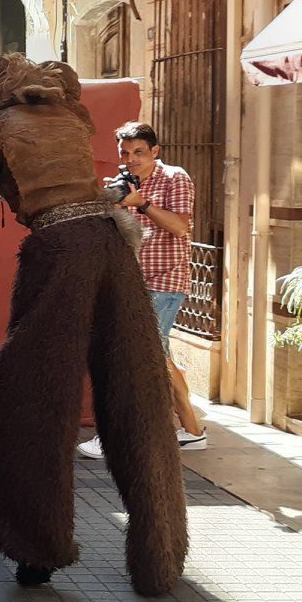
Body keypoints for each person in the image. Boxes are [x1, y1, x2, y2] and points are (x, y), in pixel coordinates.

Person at [0, 52, 187, 596]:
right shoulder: (71, 116)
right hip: (110, 243)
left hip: (57, 249)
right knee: (138, 391)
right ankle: (161, 555)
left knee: (35, 395)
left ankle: (37, 549)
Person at [79, 123, 207, 456]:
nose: (131, 159)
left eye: (138, 152)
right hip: (132, 279)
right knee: (158, 357)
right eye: (125, 152)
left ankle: (119, 436)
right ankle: (192, 430)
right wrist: (113, 203)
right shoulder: (125, 181)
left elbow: (180, 226)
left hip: (164, 281)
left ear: (155, 151)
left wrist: (141, 203)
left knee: (136, 356)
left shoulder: (175, 178)